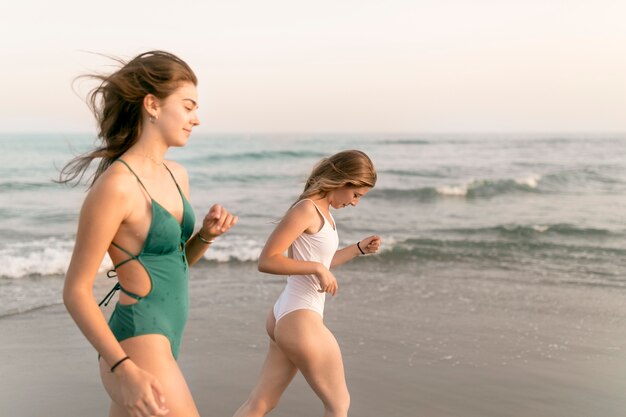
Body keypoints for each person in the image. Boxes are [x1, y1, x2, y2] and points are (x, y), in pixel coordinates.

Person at [61, 50, 237, 417]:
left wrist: (204, 235)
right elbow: (75, 291)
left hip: (168, 335)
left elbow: (173, 263)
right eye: (188, 106)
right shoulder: (117, 187)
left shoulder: (177, 174)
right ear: (152, 105)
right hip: (137, 340)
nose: (196, 119)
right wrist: (122, 368)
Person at [232, 150, 381, 417]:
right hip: (299, 318)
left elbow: (321, 261)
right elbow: (267, 260)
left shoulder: (322, 211)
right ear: (342, 180)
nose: (356, 202)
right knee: (338, 404)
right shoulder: (306, 209)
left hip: (288, 315)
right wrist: (315, 269)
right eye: (356, 194)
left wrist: (358, 248)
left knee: (261, 403)